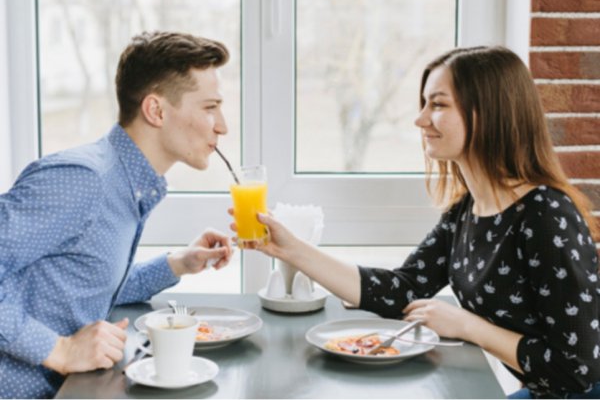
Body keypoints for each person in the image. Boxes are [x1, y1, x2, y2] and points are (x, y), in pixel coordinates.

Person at [239, 46, 600, 398]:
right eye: (424, 103)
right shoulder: (467, 210)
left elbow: (577, 369)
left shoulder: (546, 215)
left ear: (487, 113)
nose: (420, 119)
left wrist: (469, 326)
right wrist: (293, 250)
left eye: (438, 104)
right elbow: (402, 289)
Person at [0, 31, 234, 398]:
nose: (222, 125)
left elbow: (86, 285)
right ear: (156, 110)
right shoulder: (82, 181)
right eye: (210, 107)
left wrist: (178, 264)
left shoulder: (127, 186)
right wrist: (57, 350)